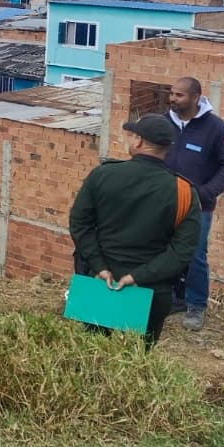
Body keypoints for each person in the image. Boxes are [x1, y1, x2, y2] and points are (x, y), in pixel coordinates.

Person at [70, 114, 200, 346]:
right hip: (149, 294)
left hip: (101, 287)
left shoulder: (103, 175)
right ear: (167, 148)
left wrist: (100, 266)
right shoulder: (184, 191)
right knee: (137, 365)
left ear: (139, 141)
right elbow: (183, 251)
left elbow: (80, 224)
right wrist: (138, 276)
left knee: (91, 357)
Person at [164, 77, 224, 332]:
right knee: (166, 251)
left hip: (198, 207)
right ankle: (176, 298)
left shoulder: (216, 129)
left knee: (195, 255)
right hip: (164, 203)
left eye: (179, 95)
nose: (173, 99)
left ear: (196, 97)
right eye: (172, 93)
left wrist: (205, 193)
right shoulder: (164, 123)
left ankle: (196, 305)